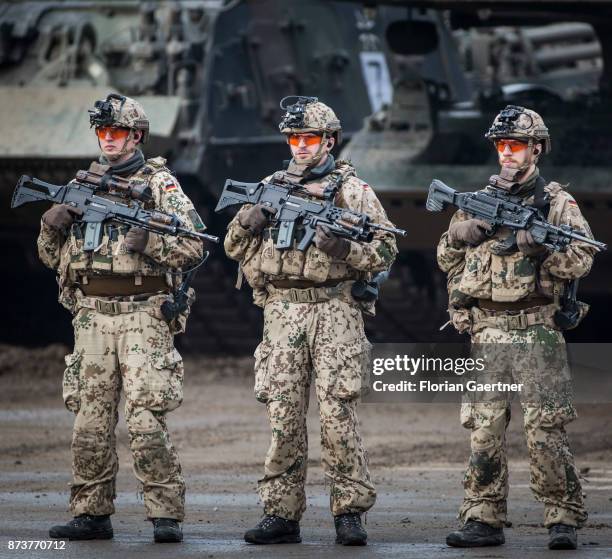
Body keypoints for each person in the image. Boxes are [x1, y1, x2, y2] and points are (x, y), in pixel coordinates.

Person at [224, 96, 398, 546]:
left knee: (338, 415)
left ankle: (349, 513)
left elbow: (385, 251)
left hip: (336, 309)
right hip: (282, 311)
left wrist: (346, 251)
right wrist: (248, 220)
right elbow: (232, 247)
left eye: (310, 139)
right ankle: (281, 514)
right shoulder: (270, 184)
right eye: (295, 138)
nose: (301, 146)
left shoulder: (354, 192)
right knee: (283, 416)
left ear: (330, 140)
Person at [38, 93, 204, 543]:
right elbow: (53, 258)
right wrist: (51, 225)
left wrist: (150, 243)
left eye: (117, 133)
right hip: (91, 316)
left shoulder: (160, 185)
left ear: (136, 136)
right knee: (89, 420)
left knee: (147, 419)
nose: (109, 141)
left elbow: (194, 246)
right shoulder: (83, 182)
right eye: (103, 133)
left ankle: (165, 514)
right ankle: (90, 512)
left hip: (143, 314)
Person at [437, 105, 596, 550]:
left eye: (517, 146)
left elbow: (582, 258)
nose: (508, 154)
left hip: (536, 327)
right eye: (502, 146)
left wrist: (543, 250)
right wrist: (460, 234)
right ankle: (482, 518)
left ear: (537, 149)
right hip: (486, 330)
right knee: (484, 429)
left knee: (546, 430)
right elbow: (445, 258)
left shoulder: (557, 204)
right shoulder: (475, 200)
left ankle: (562, 518)